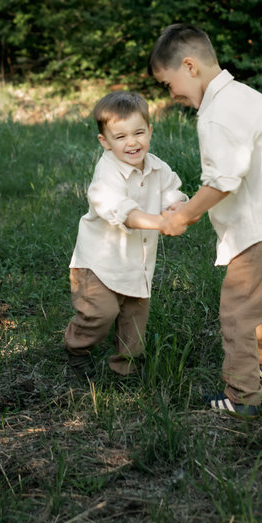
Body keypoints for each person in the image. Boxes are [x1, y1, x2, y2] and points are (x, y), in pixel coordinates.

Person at [150, 24, 262, 418]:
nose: (170, 94)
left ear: (189, 66)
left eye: (167, 82)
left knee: (238, 311)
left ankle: (242, 395)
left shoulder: (216, 116)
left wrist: (187, 214)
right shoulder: (248, 97)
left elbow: (224, 180)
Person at [65, 90, 188, 378]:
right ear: (105, 142)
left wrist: (176, 208)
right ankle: (77, 347)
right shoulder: (107, 172)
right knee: (100, 313)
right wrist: (161, 223)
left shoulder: (158, 167)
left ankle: (127, 368)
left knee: (135, 320)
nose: (132, 142)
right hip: (99, 263)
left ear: (150, 131)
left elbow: (173, 191)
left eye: (139, 133)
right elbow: (125, 213)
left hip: (137, 263)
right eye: (120, 137)